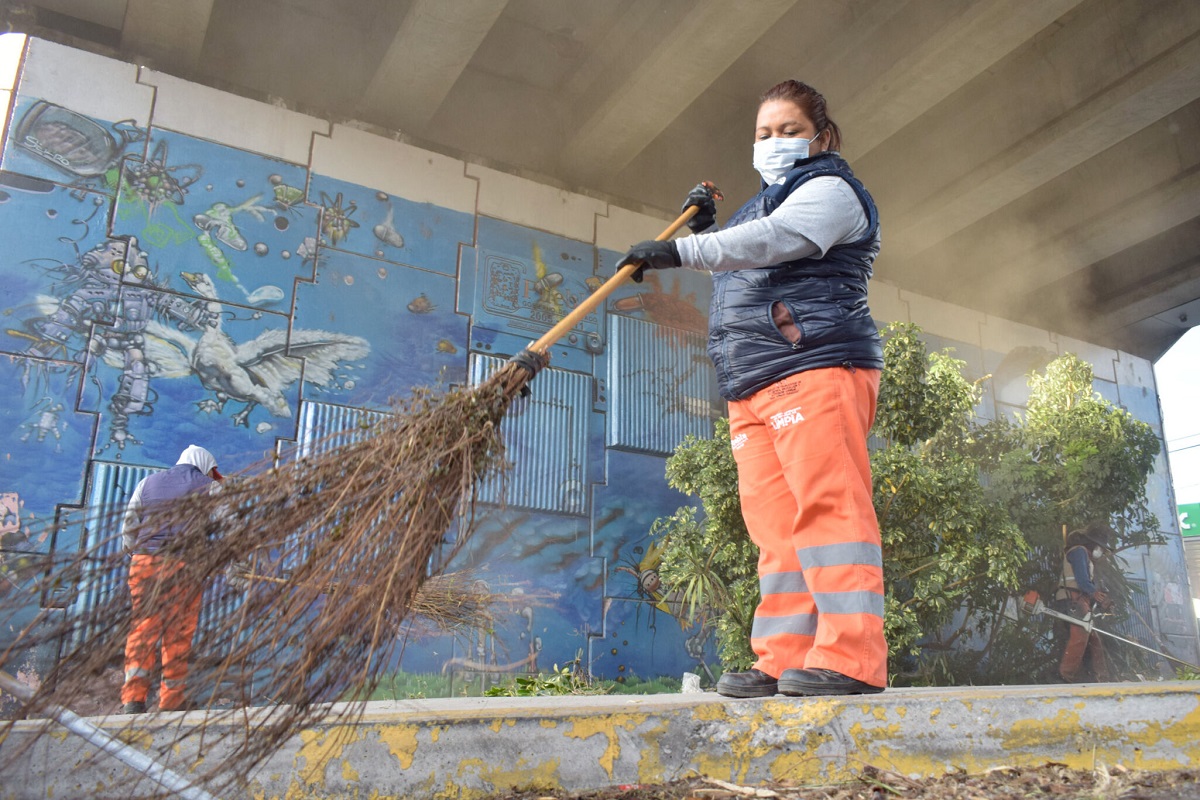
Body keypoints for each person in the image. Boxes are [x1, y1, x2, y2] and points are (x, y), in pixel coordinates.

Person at [616, 80, 887, 697]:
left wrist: (681, 249)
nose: (773, 142)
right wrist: (711, 221)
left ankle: (850, 658)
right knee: (775, 529)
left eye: (788, 130)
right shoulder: (761, 204)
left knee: (830, 513)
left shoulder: (832, 191)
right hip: (752, 383)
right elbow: (752, 235)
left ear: (823, 136)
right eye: (763, 134)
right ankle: (782, 656)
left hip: (812, 365)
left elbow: (775, 241)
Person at [119, 444, 224, 713]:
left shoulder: (147, 483)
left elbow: (130, 526)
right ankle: (171, 702)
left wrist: (134, 551)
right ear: (204, 466)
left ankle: (133, 700)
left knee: (143, 629)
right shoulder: (210, 486)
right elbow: (228, 525)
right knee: (178, 633)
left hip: (145, 564)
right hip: (185, 566)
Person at [1052, 522, 1115, 683]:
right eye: (1100, 547)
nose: (1101, 550)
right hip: (1072, 600)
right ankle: (1066, 675)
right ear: (1093, 544)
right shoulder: (1079, 552)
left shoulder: (1084, 555)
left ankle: (1100, 677)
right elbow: (1082, 580)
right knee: (1080, 635)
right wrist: (1095, 593)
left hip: (1079, 600)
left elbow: (1087, 584)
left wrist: (1098, 596)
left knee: (1093, 639)